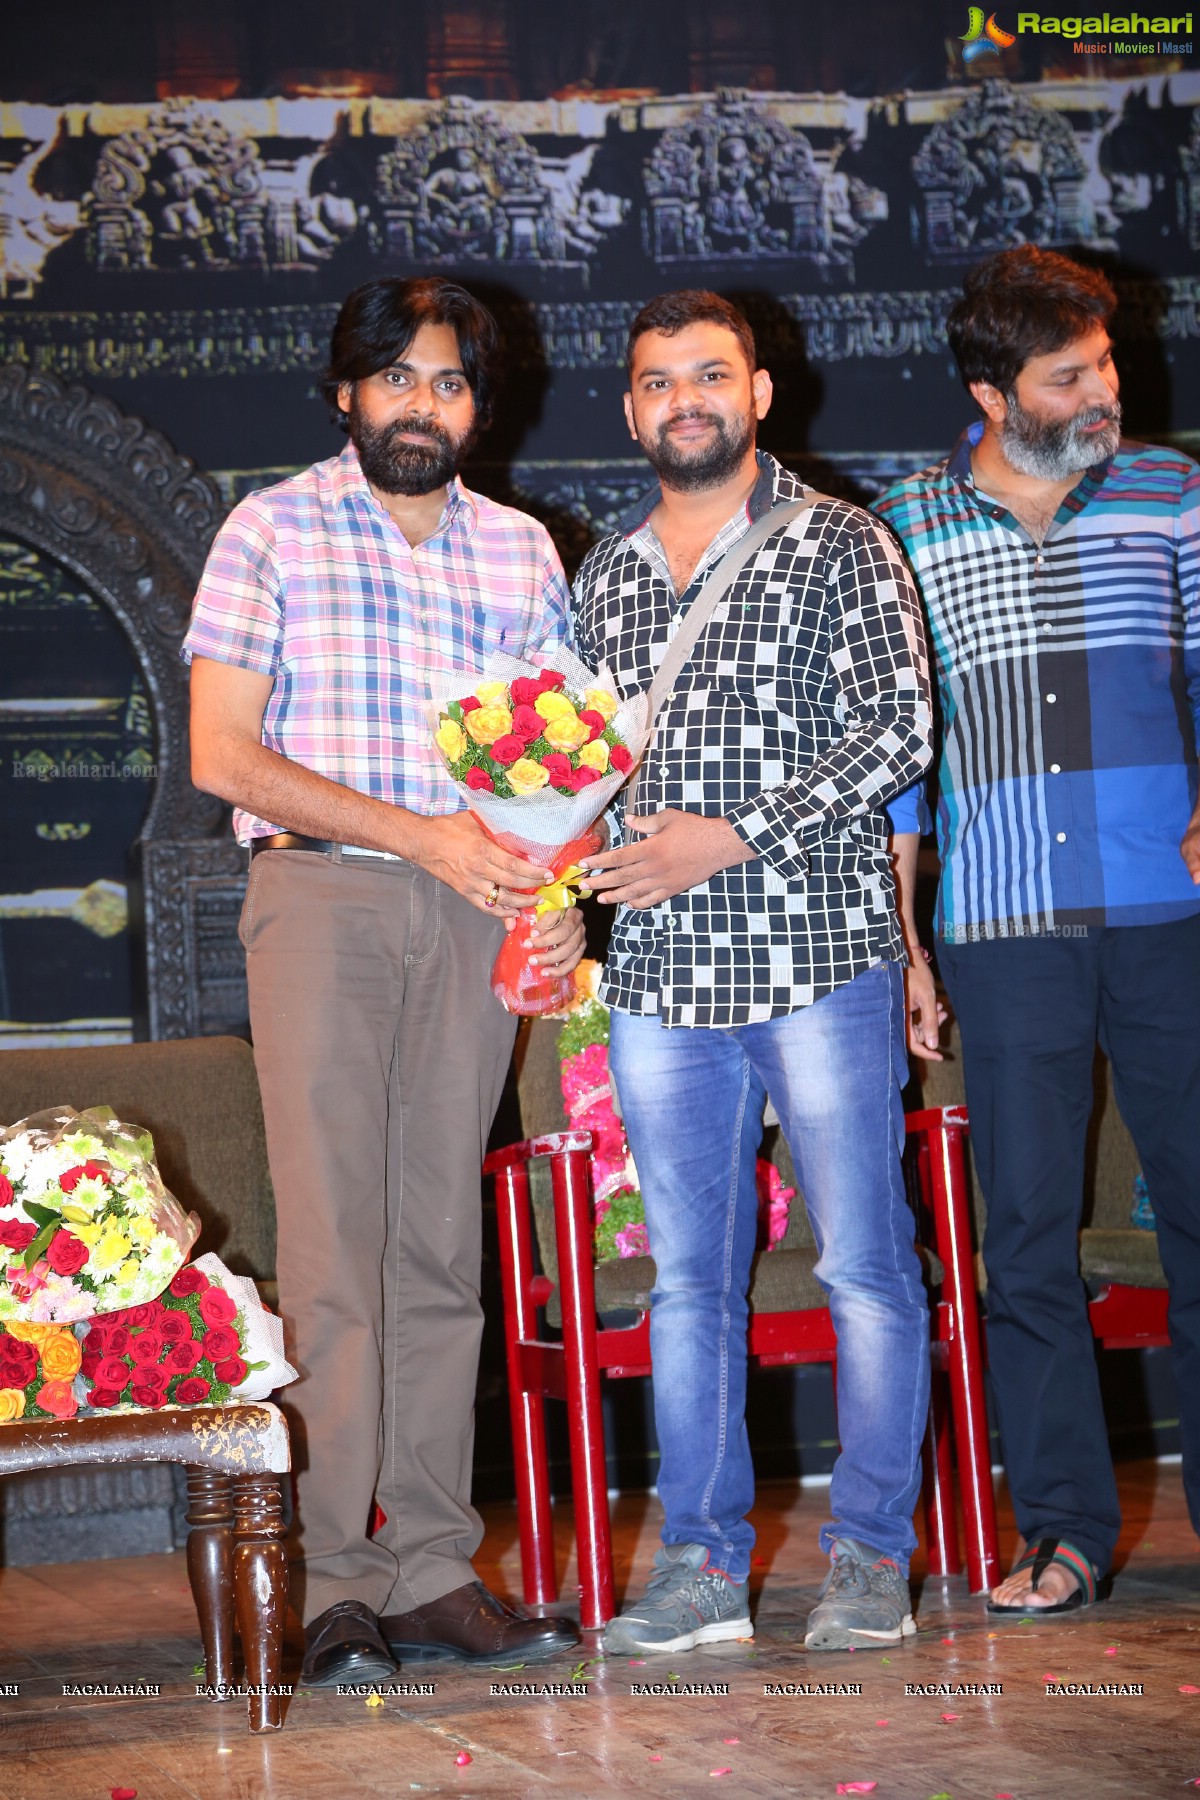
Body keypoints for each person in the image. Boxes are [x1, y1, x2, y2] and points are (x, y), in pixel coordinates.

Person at [185, 276, 583, 1684]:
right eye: (397, 379)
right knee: (336, 1253)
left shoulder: (523, 552)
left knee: (441, 1252)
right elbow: (222, 757)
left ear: (484, 405)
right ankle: (331, 1580)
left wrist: (558, 903)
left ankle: (427, 1567)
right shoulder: (271, 529)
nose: (424, 405)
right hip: (324, 900)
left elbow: (562, 771)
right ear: (347, 395)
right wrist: (417, 829)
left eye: (451, 383)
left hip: (476, 917)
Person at [571, 289, 935, 1653]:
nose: (685, 400)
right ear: (630, 409)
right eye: (658, 381)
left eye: (709, 375)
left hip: (820, 955)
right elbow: (575, 770)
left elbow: (897, 729)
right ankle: (702, 1571)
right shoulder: (604, 572)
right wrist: (572, 871)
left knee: (862, 1270)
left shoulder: (841, 542)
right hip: (661, 975)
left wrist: (729, 834)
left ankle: (870, 1556)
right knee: (689, 1284)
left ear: (761, 392)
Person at [875, 245, 1200, 1614]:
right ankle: (1065, 1530)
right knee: (1025, 1240)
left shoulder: (1174, 494)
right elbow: (902, 756)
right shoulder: (909, 523)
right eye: (1072, 374)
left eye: (1110, 362)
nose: (1107, 389)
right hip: (1001, 923)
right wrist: (905, 941)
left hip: (1171, 910)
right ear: (993, 392)